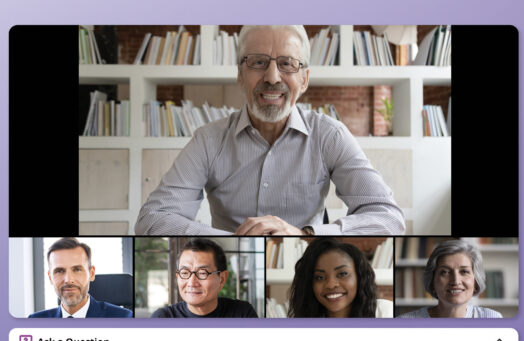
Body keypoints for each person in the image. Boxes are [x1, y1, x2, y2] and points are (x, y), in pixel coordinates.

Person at [136, 25, 404, 236]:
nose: (273, 77)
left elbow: (388, 219)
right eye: (258, 62)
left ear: (304, 79)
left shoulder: (329, 135)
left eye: (287, 63)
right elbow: (153, 219)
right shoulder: (209, 139)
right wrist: (236, 241)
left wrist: (305, 234)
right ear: (240, 75)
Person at [151, 238, 258, 318]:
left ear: (222, 279)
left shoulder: (242, 314)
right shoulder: (164, 318)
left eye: (202, 273)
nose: (192, 282)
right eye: (185, 272)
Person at [288, 238, 393, 318]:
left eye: (342, 274)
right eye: (319, 277)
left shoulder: (385, 312)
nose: (331, 284)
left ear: (359, 277)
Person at [29, 238, 133, 318]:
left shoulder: (125, 318)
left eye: (77, 269)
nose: (69, 280)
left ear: (91, 274)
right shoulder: (34, 323)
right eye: (59, 271)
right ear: (50, 278)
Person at [398, 239, 502, 318]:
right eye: (445, 272)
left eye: (464, 271)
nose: (455, 281)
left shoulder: (493, 319)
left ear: (476, 282)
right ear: (432, 281)